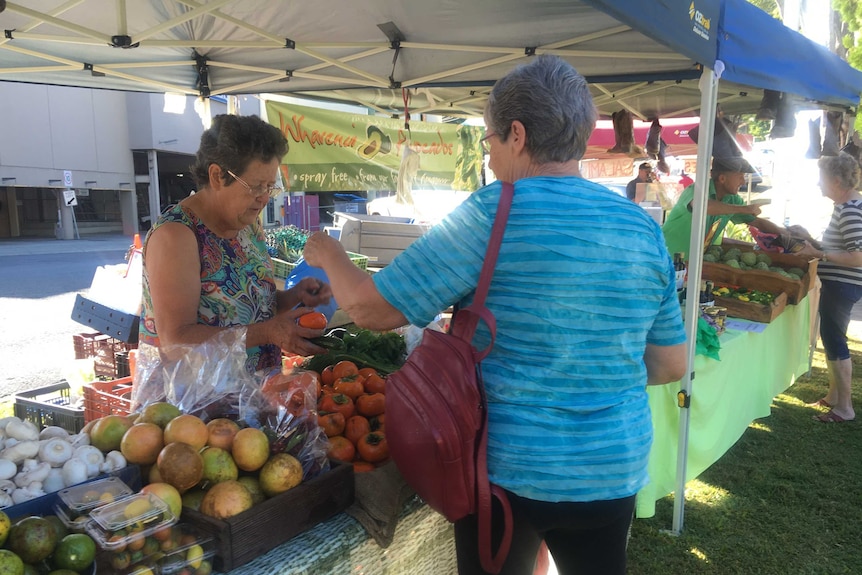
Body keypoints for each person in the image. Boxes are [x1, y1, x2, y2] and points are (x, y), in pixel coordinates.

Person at [304, 54, 687, 575]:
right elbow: (669, 365)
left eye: (489, 141)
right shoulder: (642, 228)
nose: (490, 157)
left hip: (510, 472)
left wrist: (328, 253)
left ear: (517, 134)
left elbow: (370, 309)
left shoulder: (493, 211)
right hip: (611, 467)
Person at [138, 114, 332, 377]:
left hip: (253, 397)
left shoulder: (248, 225)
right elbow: (176, 341)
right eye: (255, 187)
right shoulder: (177, 235)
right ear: (217, 176)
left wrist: (294, 296)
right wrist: (268, 332)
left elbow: (251, 307)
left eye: (270, 187)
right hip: (190, 408)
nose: (264, 198)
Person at [794, 152, 862, 423]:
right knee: (831, 338)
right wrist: (810, 241)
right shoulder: (848, 207)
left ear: (836, 181)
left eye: (821, 179)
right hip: (839, 284)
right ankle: (834, 398)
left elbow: (857, 256)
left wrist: (819, 254)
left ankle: (844, 408)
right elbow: (842, 249)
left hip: (843, 285)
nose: (818, 185)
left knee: (835, 341)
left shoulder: (850, 210)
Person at [661, 157, 790, 256]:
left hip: (693, 264)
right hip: (666, 258)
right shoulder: (696, 189)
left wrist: (788, 236)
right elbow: (703, 207)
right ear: (722, 178)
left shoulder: (732, 199)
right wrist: (745, 209)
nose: (743, 182)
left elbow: (757, 222)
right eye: (740, 176)